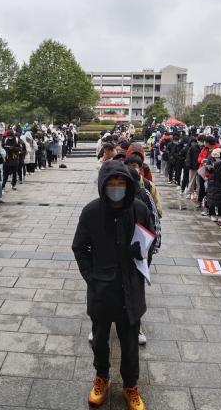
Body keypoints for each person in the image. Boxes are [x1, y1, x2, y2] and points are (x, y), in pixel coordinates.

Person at [72, 161, 154, 410]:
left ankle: (130, 386)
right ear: (102, 185)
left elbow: (150, 239)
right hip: (101, 288)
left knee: (130, 343)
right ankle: (102, 377)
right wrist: (91, 276)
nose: (116, 188)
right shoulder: (91, 212)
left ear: (128, 185)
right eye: (111, 183)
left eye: (121, 183)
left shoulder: (139, 209)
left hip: (131, 287)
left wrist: (141, 260)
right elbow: (80, 247)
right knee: (99, 339)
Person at [205, 148, 221, 223]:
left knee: (220, 199)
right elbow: (207, 169)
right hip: (212, 181)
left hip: (220, 181)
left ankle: (220, 214)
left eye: (218, 157)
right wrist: (209, 169)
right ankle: (212, 213)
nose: (217, 158)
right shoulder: (210, 159)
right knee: (211, 198)